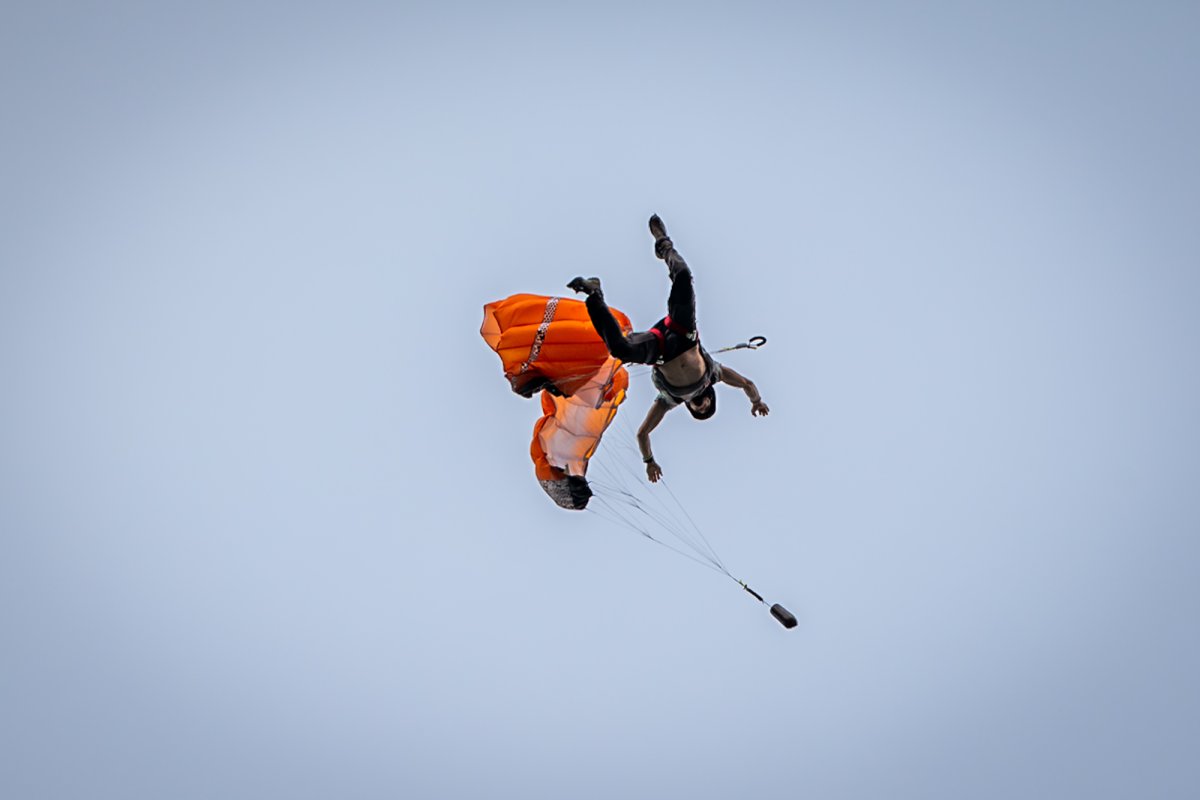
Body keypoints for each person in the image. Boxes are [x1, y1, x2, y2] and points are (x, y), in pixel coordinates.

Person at [568, 214, 769, 483]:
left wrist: (649, 461)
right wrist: (756, 401)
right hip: (683, 332)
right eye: (708, 405)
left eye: (700, 411)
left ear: (691, 409)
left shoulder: (670, 400)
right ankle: (663, 244)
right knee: (684, 276)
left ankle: (594, 296)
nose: (703, 405)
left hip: (658, 349)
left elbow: (642, 433)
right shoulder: (714, 375)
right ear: (711, 395)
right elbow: (747, 383)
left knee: (621, 350)